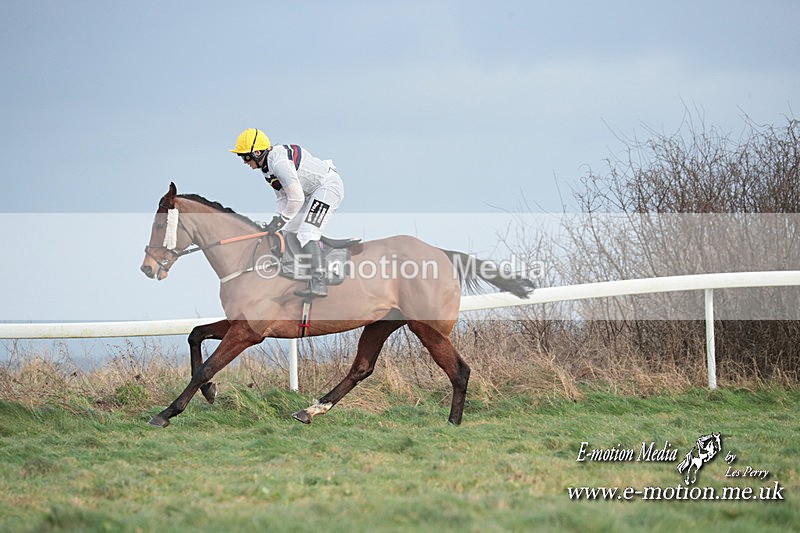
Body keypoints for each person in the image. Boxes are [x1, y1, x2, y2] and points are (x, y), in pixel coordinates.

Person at [230, 128, 344, 298]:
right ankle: (301, 271)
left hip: (327, 188)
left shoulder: (279, 164)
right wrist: (276, 220)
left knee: (307, 233)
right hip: (308, 194)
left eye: (246, 156)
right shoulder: (266, 168)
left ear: (258, 152)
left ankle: (318, 282)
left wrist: (282, 218)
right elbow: (283, 197)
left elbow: (296, 198)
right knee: (289, 232)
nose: (244, 161)